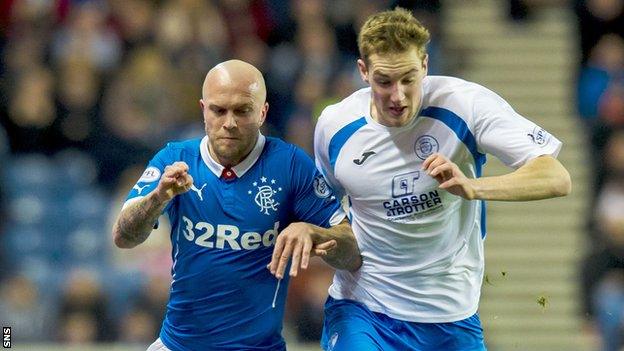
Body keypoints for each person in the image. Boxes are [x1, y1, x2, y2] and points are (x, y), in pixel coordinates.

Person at [313, 8, 572, 351]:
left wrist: (473, 187)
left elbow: (556, 177)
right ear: (363, 72)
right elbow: (326, 209)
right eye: (384, 81)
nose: (398, 96)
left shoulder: (465, 105)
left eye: (408, 78)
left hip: (450, 314)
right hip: (364, 307)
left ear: (424, 64)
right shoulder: (335, 127)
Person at [112, 59, 361, 351]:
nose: (229, 123)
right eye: (219, 110)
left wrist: (316, 233)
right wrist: (158, 197)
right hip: (177, 345)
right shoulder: (175, 159)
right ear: (203, 109)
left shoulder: (291, 166)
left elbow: (352, 253)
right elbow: (123, 238)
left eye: (242, 111)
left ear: (262, 112)